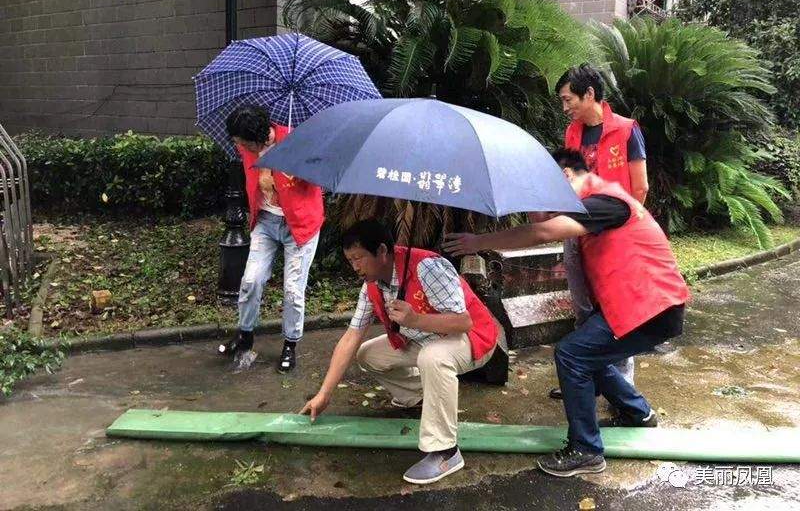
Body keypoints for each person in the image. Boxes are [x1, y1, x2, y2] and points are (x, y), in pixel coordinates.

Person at [443, 149, 688, 478]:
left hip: (651, 306)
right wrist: (532, 200)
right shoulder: (590, 205)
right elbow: (541, 224)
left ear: (568, 176)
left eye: (549, 188)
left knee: (572, 354)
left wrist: (478, 241)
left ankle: (587, 451)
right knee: (588, 353)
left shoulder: (604, 202)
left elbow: (542, 232)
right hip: (643, 304)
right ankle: (637, 413)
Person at [301, 220, 498, 484]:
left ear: (382, 251)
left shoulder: (429, 267)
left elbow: (463, 322)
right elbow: (351, 337)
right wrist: (323, 395)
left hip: (471, 338)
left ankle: (446, 452)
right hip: (422, 340)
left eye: (359, 258)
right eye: (350, 260)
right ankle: (416, 394)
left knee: (433, 358)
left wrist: (415, 320)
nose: (355, 267)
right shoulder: (371, 284)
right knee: (368, 354)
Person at [551, 63, 649, 398]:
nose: (566, 108)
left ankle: (622, 389)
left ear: (589, 94)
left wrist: (626, 228)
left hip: (616, 238)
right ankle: (586, 377)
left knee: (618, 309)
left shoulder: (626, 130)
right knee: (583, 307)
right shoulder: (573, 133)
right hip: (578, 231)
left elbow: (641, 188)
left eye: (568, 100)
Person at [218, 106, 324, 373]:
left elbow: (319, 179)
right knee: (251, 280)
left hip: (299, 225)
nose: (237, 145)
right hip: (265, 222)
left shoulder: (299, 142)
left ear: (258, 139)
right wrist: (264, 167)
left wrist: (287, 167)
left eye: (241, 141)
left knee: (292, 291)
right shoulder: (247, 148)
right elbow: (253, 169)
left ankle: (290, 343)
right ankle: (245, 334)